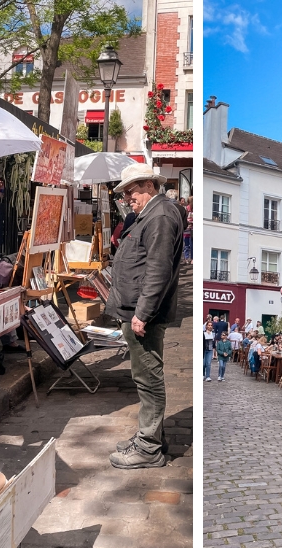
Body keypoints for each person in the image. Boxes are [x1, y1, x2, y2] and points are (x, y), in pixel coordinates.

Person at [106, 163, 183, 469]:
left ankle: (149, 447)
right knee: (144, 376)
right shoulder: (150, 214)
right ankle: (150, 436)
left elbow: (158, 268)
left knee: (148, 378)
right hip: (136, 308)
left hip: (143, 313)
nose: (127, 198)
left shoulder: (160, 215)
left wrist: (142, 312)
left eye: (131, 191)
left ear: (149, 186)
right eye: (125, 193)